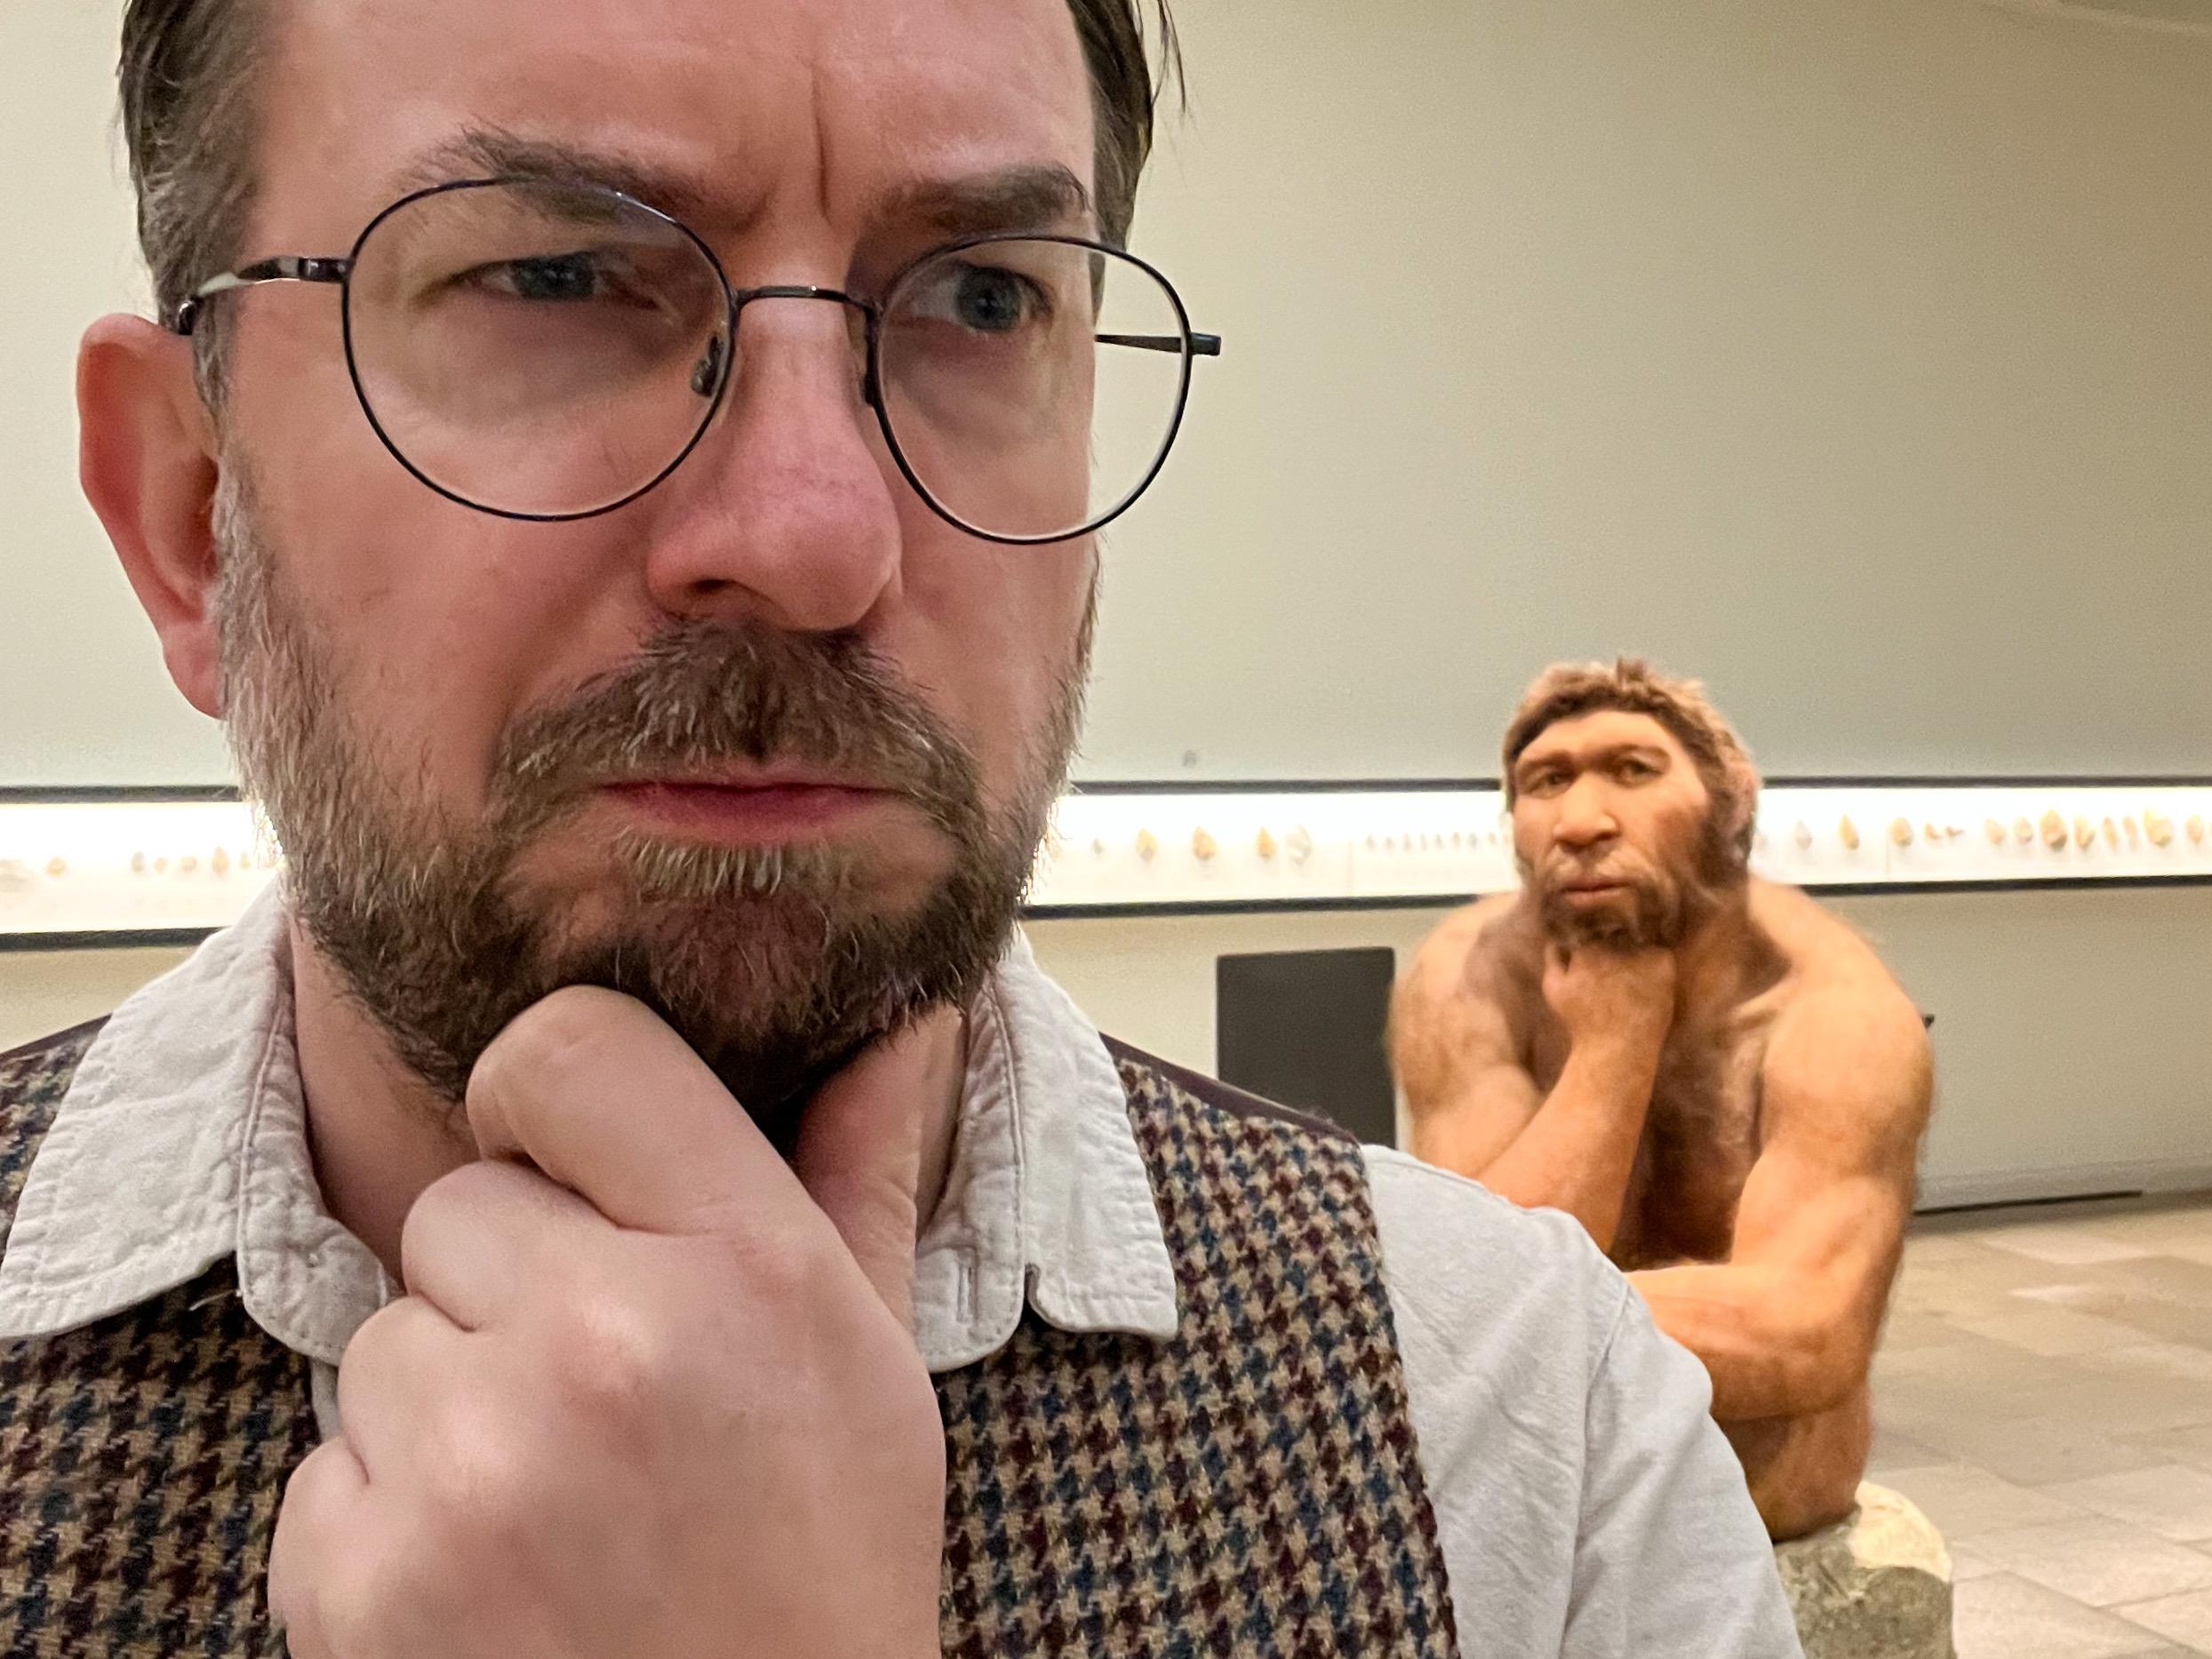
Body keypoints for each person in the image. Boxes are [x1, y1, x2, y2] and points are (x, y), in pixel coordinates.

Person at [0, 3, 1802, 1653]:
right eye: (555, 276)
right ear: (187, 510)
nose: (813, 535)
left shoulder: (1515, 1421)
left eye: (982, 301)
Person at [1392, 659, 1935, 1543]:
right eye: (1546, 781)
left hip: (1748, 1495)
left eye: (1633, 770)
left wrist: (1496, 1316)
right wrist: (1612, 1048)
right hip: (1530, 1484)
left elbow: (1803, 1335)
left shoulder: (1833, 1013)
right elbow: (1466, 1283)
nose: (1581, 821)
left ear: (1731, 802)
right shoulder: (1469, 977)